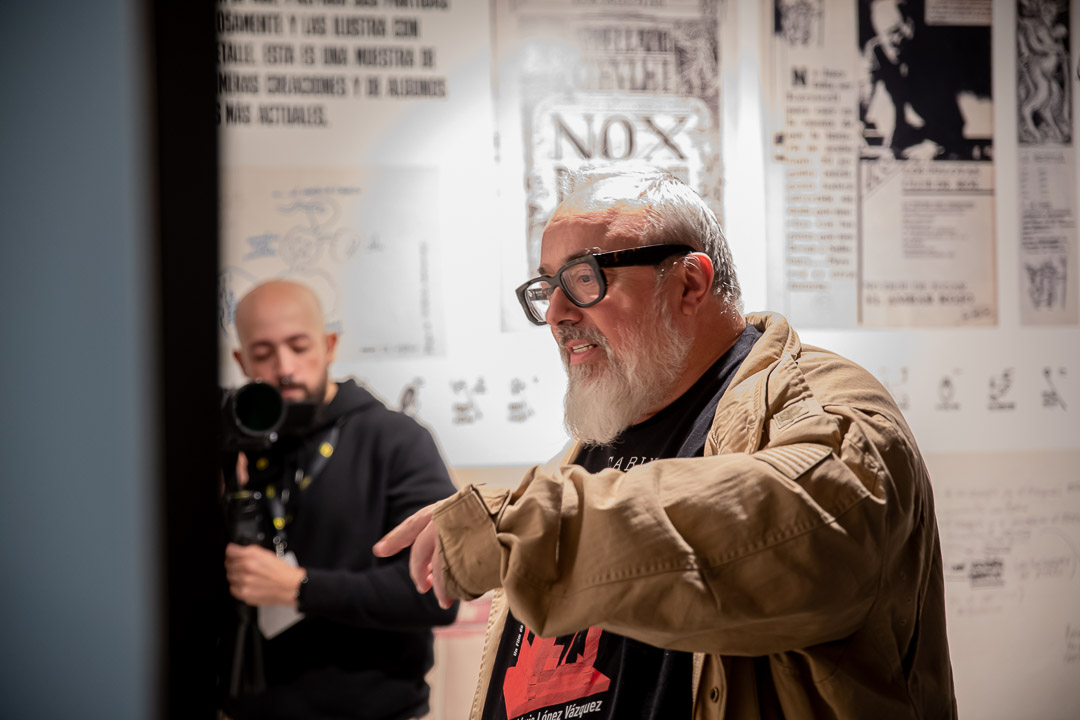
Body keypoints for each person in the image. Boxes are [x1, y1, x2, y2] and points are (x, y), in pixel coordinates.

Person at [376, 167, 957, 719]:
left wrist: (524, 528)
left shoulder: (825, 407)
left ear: (689, 282)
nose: (555, 313)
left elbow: (800, 537)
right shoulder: (592, 445)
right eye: (548, 286)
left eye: (584, 278)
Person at [221, 279, 458, 720]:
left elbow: (436, 594)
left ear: (329, 345)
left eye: (298, 346)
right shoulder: (238, 448)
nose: (284, 368)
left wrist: (301, 588)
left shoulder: (396, 440)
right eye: (263, 353)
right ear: (241, 361)